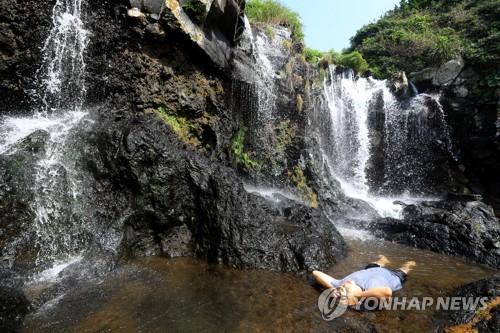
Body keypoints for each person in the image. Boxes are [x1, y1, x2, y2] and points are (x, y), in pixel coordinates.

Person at [312, 255, 416, 306]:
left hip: (372, 269)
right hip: (394, 276)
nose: (344, 285)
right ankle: (410, 264)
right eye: (346, 289)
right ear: (352, 295)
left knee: (379, 261)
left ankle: (384, 259)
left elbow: (316, 273)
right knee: (406, 268)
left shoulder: (340, 284)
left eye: (342, 287)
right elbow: (387, 291)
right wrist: (356, 297)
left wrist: (333, 289)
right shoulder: (369, 293)